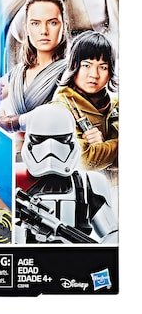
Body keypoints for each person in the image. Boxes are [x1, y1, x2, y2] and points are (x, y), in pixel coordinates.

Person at [16, 104, 117, 244]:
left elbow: (113, 234)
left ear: (71, 140)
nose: (50, 147)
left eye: (61, 139)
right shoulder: (16, 179)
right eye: (39, 139)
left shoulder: (89, 183)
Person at [0, 0, 67, 137]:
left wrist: (9, 123)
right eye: (35, 23)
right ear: (26, 28)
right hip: (15, 149)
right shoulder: (17, 73)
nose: (44, 31)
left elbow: (65, 116)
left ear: (64, 26)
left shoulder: (73, 71)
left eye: (52, 23)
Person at [53, 31, 118, 182]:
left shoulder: (115, 104)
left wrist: (102, 146)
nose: (94, 74)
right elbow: (84, 160)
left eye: (103, 67)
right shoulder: (60, 107)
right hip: (81, 188)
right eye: (86, 65)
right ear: (74, 66)